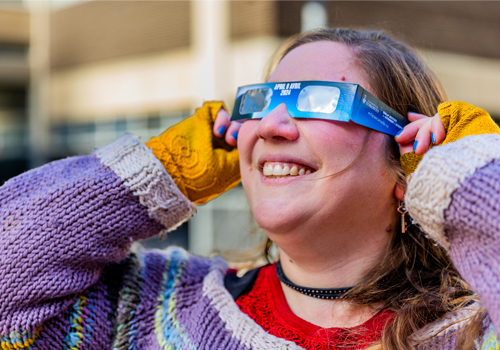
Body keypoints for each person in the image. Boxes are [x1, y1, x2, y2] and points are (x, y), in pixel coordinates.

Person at [1, 28, 499, 350]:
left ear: (409, 160)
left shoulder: (477, 334)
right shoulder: (159, 307)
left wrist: (475, 177)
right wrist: (159, 171)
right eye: (261, 103)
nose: (270, 126)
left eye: (318, 102)